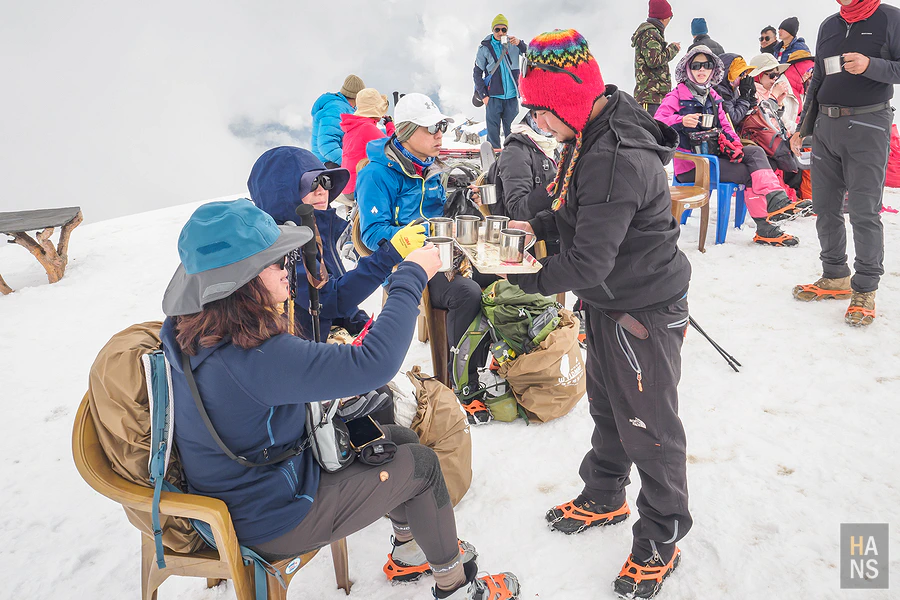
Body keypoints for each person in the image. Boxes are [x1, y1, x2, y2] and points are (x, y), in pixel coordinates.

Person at [158, 199, 519, 600]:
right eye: (278, 261)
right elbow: (375, 363)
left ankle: (411, 551)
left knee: (394, 439)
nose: (288, 268)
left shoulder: (196, 330)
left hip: (243, 489)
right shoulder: (253, 357)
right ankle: (457, 585)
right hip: (271, 517)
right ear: (244, 280)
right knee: (423, 465)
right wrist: (412, 274)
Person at [507, 28, 691, 600]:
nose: (537, 125)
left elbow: (586, 264)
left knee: (650, 427)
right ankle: (606, 492)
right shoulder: (589, 132)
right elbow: (572, 210)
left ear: (563, 104)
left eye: (540, 113)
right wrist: (533, 228)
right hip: (614, 303)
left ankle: (661, 535)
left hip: (642, 308)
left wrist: (521, 275)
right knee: (611, 410)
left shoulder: (612, 157)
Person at [355, 93, 492, 418]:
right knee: (466, 293)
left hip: (442, 254)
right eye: (431, 128)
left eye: (441, 126)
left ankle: (485, 352)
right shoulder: (377, 174)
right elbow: (371, 235)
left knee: (494, 274)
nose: (439, 134)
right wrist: (411, 238)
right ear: (404, 131)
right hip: (404, 264)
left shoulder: (430, 167)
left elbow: (437, 212)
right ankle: (460, 383)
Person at [789, 0, 900, 327]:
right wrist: (803, 128)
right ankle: (835, 274)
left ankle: (865, 287)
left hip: (869, 124)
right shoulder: (829, 25)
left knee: (864, 210)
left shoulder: (890, 18)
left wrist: (871, 65)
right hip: (826, 126)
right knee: (824, 207)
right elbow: (818, 81)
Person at [248, 146, 422, 342]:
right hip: (299, 356)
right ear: (283, 192)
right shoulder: (279, 249)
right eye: (311, 183)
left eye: (326, 181)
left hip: (317, 342)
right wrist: (388, 255)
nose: (322, 191)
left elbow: (336, 296)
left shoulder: (313, 230)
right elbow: (328, 299)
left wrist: (362, 325)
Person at [655, 46, 803, 246]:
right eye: (696, 65)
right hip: (693, 166)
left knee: (754, 152)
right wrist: (681, 120)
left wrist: (735, 145)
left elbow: (727, 127)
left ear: (712, 69)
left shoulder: (712, 97)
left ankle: (774, 198)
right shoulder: (676, 96)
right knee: (749, 172)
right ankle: (766, 222)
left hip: (716, 157)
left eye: (706, 65)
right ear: (688, 69)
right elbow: (657, 123)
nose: (701, 70)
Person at [493, 108, 559, 223]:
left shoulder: (554, 146)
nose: (544, 121)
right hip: (532, 235)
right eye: (538, 114)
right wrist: (556, 185)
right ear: (527, 116)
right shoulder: (515, 152)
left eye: (551, 113)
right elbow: (517, 210)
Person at [473, 14, 528, 149]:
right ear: (493, 30)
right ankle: (494, 162)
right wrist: (484, 96)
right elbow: (477, 73)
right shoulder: (484, 48)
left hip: (511, 97)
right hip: (493, 98)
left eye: (504, 30)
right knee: (493, 133)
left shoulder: (514, 45)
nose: (500, 33)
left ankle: (514, 157)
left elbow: (532, 54)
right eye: (497, 29)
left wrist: (520, 44)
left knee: (514, 132)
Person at [339, 88, 395, 201]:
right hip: (358, 187)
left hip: (347, 185)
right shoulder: (367, 128)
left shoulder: (354, 127)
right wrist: (390, 126)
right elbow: (393, 148)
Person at [632, 0, 681, 116]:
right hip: (650, 98)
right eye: (670, 16)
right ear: (664, 17)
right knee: (651, 132)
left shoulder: (652, 32)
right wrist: (672, 49)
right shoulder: (650, 33)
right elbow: (654, 61)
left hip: (655, 97)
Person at [310, 74, 366, 166]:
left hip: (333, 164)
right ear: (359, 97)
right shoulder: (336, 109)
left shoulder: (346, 108)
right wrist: (352, 165)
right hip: (330, 168)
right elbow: (327, 145)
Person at [748, 53, 799, 135]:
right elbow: (764, 120)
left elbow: (781, 122)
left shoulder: (768, 91)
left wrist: (778, 103)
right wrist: (774, 97)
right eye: (772, 75)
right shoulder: (750, 93)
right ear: (759, 75)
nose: (775, 78)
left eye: (777, 75)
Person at [714, 54, 758, 128]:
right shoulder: (720, 92)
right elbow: (733, 119)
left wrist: (751, 96)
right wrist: (744, 97)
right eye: (741, 74)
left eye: (745, 73)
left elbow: (747, 113)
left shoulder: (733, 89)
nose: (743, 77)